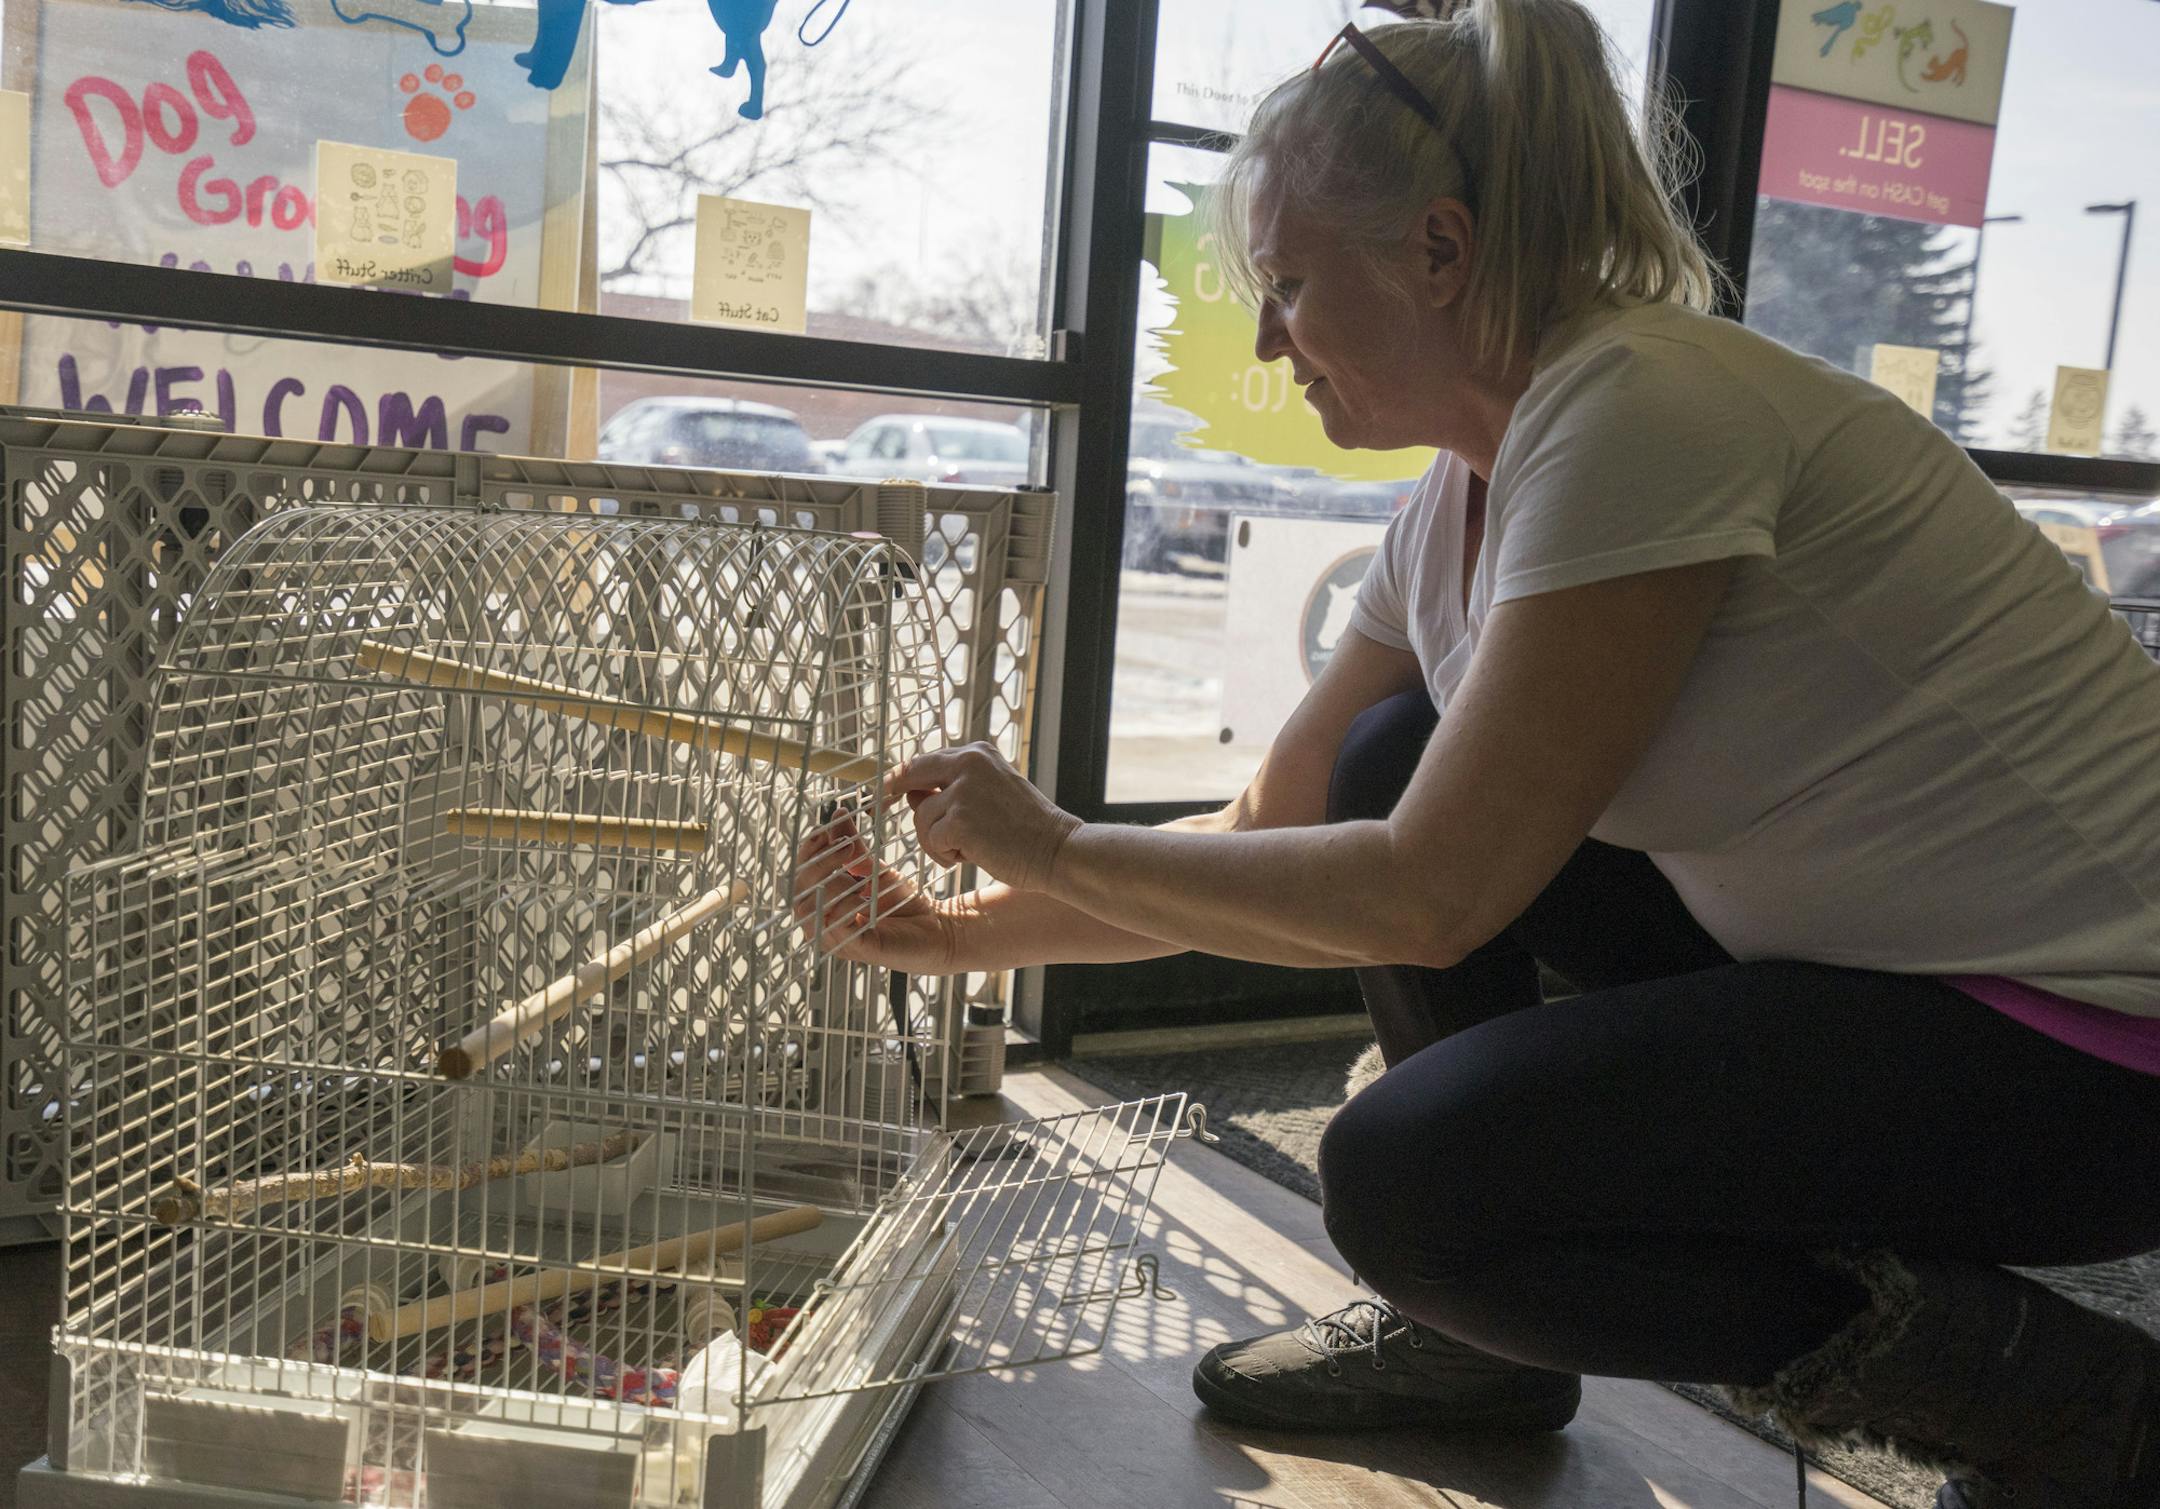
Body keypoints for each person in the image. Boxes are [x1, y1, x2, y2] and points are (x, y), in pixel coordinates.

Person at [796, 3, 2160, 1505]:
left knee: (1413, 1185)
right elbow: (1273, 828)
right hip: (1880, 971)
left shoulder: (1644, 405)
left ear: (1440, 253)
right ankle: (1487, 1344)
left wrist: (1048, 845)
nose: (1269, 338)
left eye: (1293, 285)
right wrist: (954, 931)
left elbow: (1431, 895)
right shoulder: (1457, 497)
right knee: (1392, 749)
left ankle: (2075, 1405)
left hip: (2089, 1057)